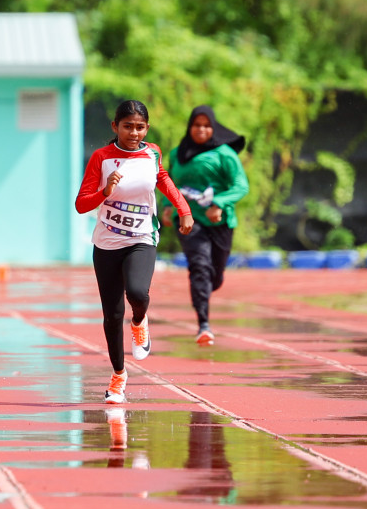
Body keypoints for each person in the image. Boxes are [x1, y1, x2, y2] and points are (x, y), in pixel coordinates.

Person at [76, 99, 194, 404]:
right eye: (127, 126)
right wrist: (105, 192)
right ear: (115, 127)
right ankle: (118, 377)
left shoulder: (151, 153)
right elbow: (81, 204)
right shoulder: (101, 158)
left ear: (147, 128)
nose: (134, 132)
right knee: (112, 315)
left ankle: (140, 321)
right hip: (107, 244)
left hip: (142, 236)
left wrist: (184, 210)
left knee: (138, 293)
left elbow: (163, 178)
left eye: (140, 127)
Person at [164, 106, 249, 346]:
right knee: (199, 266)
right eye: (196, 125)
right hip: (189, 219)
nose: (201, 129)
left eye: (206, 125)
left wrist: (219, 203)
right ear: (189, 127)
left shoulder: (225, 154)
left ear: (213, 128)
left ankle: (203, 294)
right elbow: (167, 183)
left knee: (215, 278)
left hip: (219, 222)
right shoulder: (176, 153)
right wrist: (168, 207)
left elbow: (241, 186)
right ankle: (203, 325)